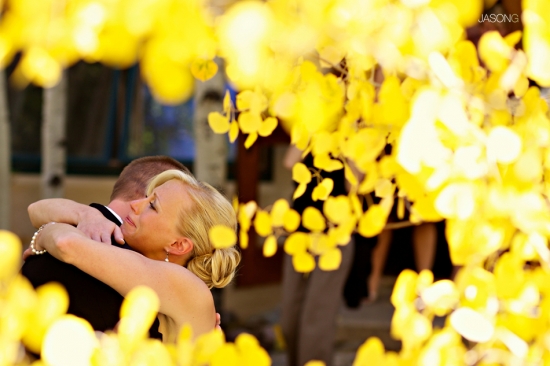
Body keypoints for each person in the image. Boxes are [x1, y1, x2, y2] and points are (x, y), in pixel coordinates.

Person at [25, 157, 237, 340]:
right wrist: (86, 215)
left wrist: (46, 233)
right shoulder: (155, 277)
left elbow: (67, 245)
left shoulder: (187, 287)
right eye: (147, 197)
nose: (136, 204)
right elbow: (37, 211)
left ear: (178, 245)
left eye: (152, 205)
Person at [280, 145, 354, 366]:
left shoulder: (353, 134)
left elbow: (354, 184)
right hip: (299, 237)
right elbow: (289, 161)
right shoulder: (308, 128)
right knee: (289, 320)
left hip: (334, 239)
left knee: (316, 321)